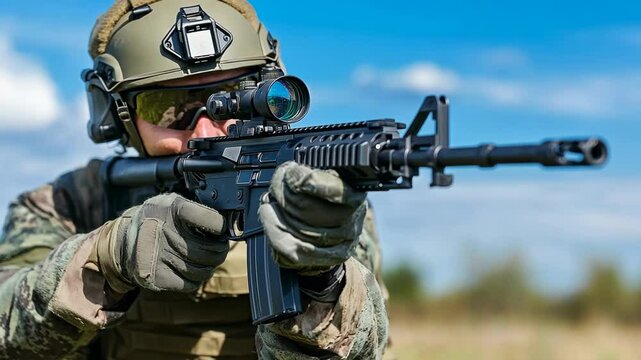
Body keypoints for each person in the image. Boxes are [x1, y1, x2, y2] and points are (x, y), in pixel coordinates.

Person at [0, 0, 390, 359]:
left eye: (232, 95)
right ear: (116, 115)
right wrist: (108, 259)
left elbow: (361, 351)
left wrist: (322, 279)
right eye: (169, 108)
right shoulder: (70, 203)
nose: (205, 131)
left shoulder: (315, 197)